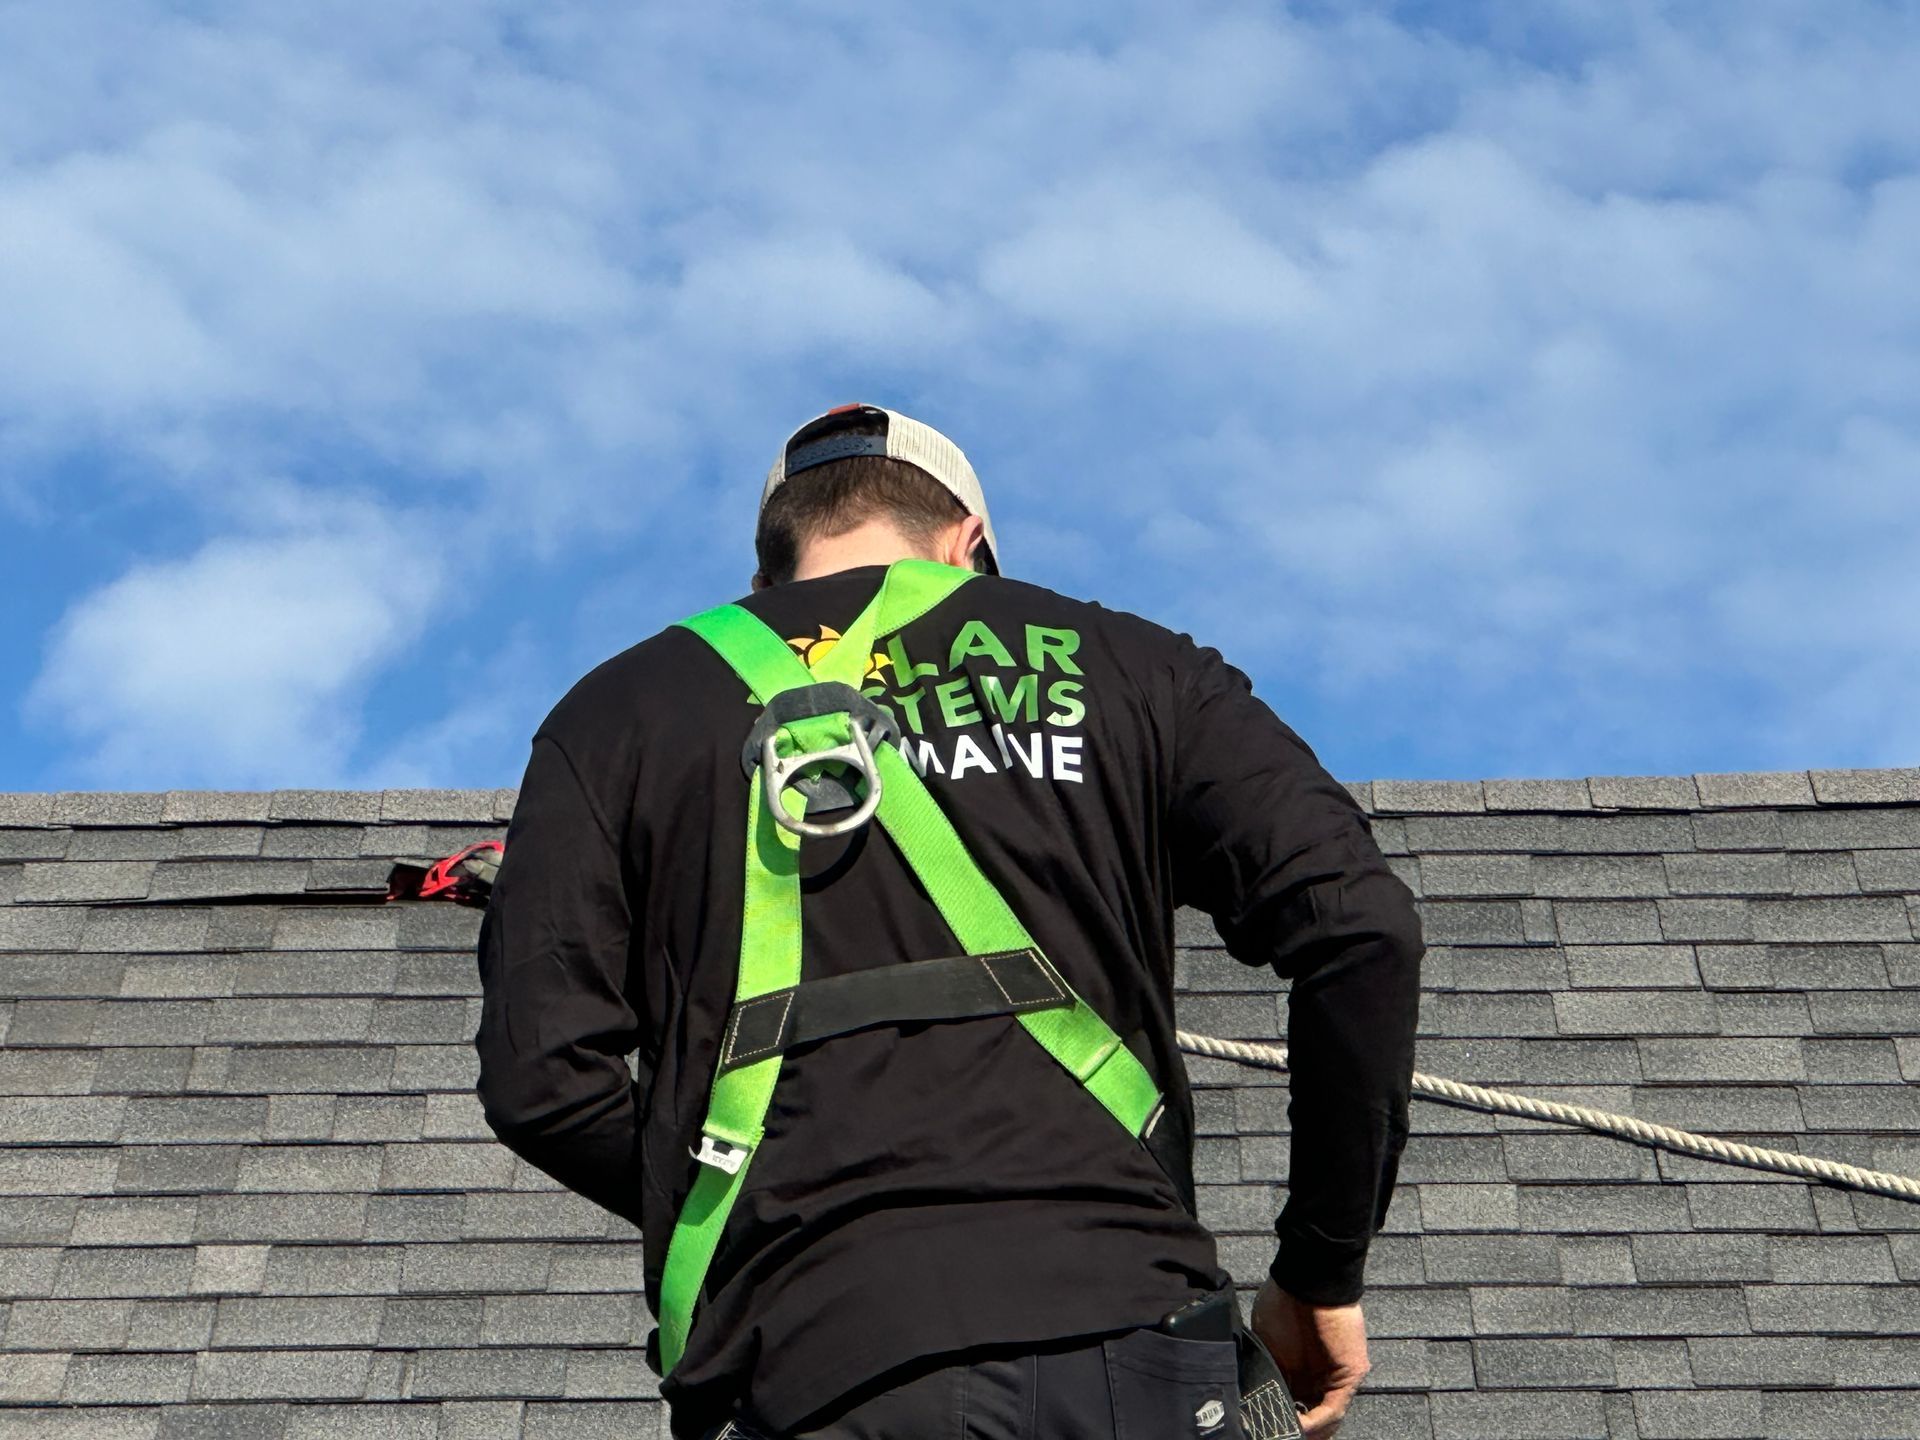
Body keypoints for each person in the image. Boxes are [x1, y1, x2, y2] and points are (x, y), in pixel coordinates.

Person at [475, 404, 1424, 1440]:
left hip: (816, 1367)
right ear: (970, 547)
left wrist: (762, 1222)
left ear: (768, 578)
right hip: (1133, 1340)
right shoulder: (1137, 669)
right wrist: (1319, 1269)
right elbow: (1361, 929)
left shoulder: (617, 713)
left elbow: (542, 1085)